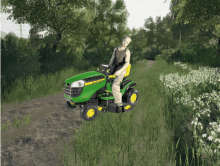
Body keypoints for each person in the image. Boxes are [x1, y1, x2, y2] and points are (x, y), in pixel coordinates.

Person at [108, 36, 132, 113]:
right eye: (125, 41)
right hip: (114, 68)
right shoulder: (116, 49)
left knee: (115, 85)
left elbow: (127, 63)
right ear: (122, 40)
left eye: (127, 42)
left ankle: (119, 105)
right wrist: (107, 67)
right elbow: (112, 60)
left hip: (122, 69)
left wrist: (120, 71)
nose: (125, 43)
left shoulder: (127, 51)